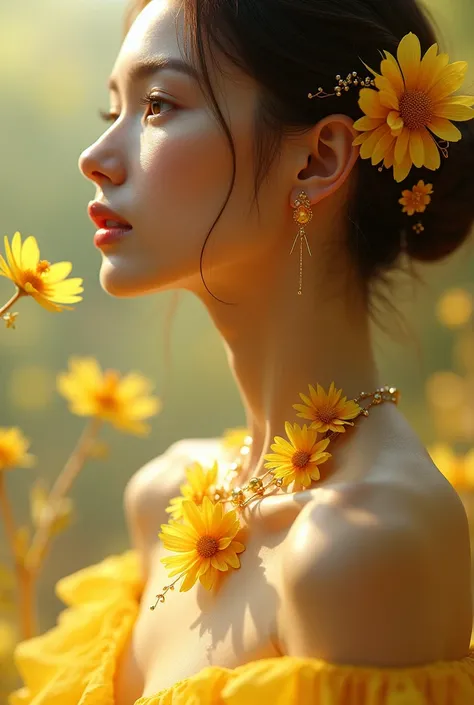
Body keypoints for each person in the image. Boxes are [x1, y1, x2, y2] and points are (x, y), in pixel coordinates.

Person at [9, 0, 474, 703]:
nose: (96, 158)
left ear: (318, 159)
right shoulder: (165, 500)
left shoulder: (366, 548)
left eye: (159, 105)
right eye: (115, 112)